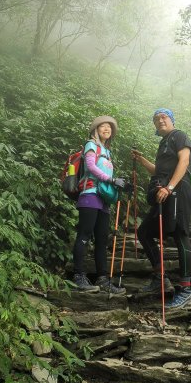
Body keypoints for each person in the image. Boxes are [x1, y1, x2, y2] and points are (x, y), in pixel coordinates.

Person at [131, 108, 191, 309]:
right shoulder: (163, 143)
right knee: (144, 232)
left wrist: (169, 188)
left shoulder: (179, 135)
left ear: (172, 120)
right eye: (156, 119)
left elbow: (184, 161)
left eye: (164, 117)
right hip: (165, 194)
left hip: (178, 190)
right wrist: (141, 160)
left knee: (180, 234)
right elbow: (158, 170)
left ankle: (186, 290)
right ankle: (160, 279)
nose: (160, 121)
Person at [73, 115, 126, 294]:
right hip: (89, 195)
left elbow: (105, 176)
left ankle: (102, 278)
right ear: (96, 129)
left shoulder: (107, 152)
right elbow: (90, 167)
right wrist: (112, 179)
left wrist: (119, 184)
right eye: (103, 126)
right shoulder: (91, 145)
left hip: (103, 200)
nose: (107, 129)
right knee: (84, 235)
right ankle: (79, 276)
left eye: (109, 128)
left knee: (102, 240)